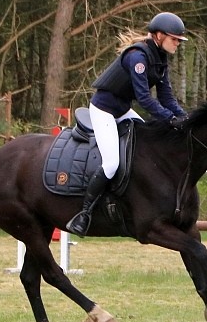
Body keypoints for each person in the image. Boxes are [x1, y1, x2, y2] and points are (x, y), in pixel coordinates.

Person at [65, 12, 190, 237]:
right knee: (112, 163)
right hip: (103, 111)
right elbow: (144, 99)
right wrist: (169, 119)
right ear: (159, 36)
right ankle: (84, 214)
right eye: (175, 39)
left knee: (146, 151)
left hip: (122, 110)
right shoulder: (138, 58)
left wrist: (184, 118)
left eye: (179, 41)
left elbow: (167, 97)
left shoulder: (160, 58)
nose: (178, 44)